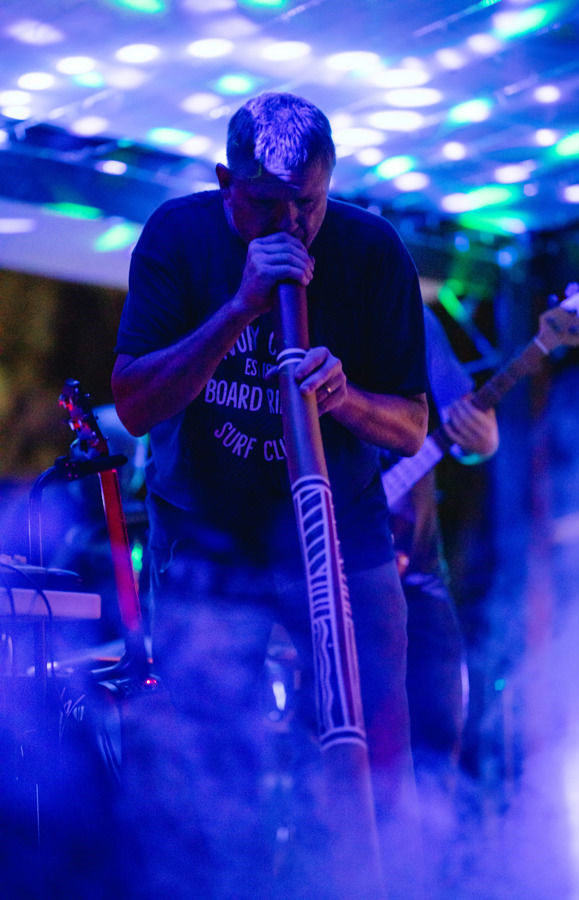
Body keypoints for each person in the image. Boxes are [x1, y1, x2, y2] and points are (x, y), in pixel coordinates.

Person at [111, 92, 428, 900]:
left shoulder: (372, 250)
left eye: (309, 205)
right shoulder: (177, 236)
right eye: (266, 205)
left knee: (373, 739)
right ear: (227, 183)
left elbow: (411, 426)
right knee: (214, 755)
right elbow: (138, 404)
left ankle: (365, 882)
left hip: (338, 536)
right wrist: (239, 307)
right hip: (212, 541)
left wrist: (346, 399)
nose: (291, 226)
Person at [383, 305, 499, 894]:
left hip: (419, 574)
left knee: (437, 740)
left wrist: (481, 436)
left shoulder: (408, 312)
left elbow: (474, 430)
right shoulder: (284, 307)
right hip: (328, 574)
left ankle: (434, 881)